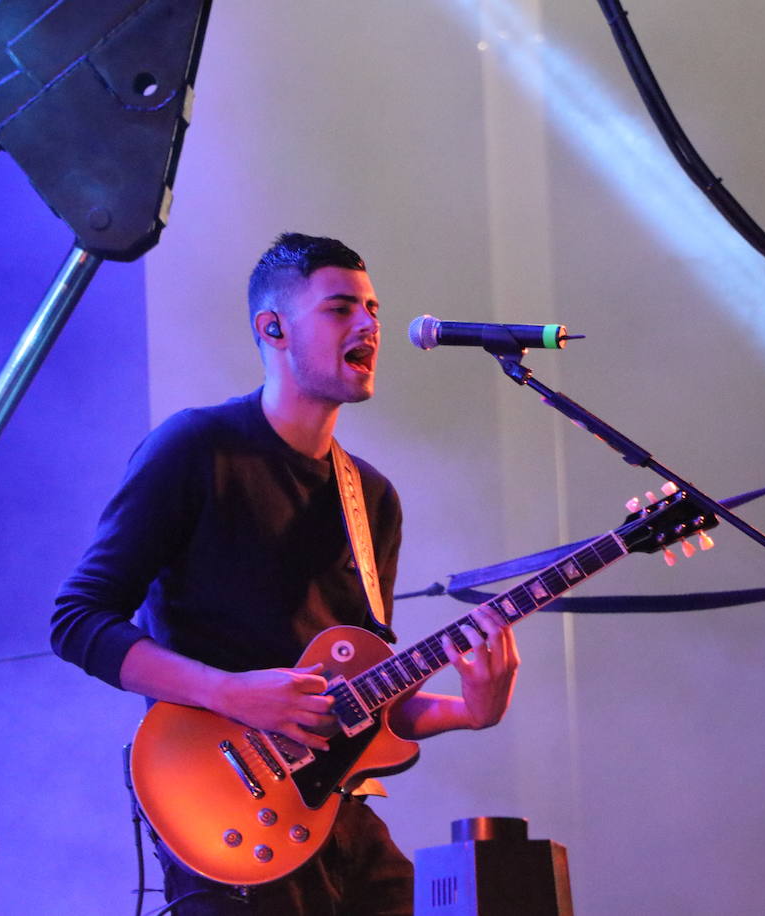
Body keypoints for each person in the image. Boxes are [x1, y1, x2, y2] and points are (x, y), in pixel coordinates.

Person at [51, 233, 521, 915]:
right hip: (224, 805)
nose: (368, 326)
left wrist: (470, 712)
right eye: (340, 309)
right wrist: (231, 692)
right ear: (273, 328)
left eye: (373, 310)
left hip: (337, 814)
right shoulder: (197, 450)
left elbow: (368, 699)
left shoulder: (373, 500)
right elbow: (78, 622)